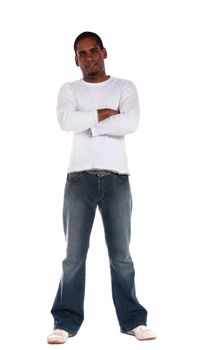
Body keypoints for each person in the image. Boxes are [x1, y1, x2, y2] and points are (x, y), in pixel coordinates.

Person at [47, 31, 156, 344]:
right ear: (76, 59)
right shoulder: (70, 89)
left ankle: (134, 321)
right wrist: (104, 114)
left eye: (93, 51)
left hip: (117, 179)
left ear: (104, 52)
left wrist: (90, 125)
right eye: (82, 54)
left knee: (121, 256)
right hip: (78, 179)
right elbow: (66, 122)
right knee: (73, 256)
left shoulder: (124, 87)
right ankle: (65, 322)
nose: (89, 58)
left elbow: (131, 123)